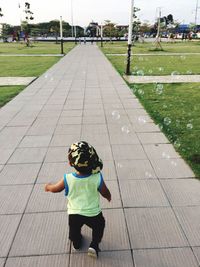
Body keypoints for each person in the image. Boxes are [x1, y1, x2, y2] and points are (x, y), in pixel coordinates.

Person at [45, 141, 111, 258]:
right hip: (93, 214)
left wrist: (49, 187)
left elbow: (56, 189)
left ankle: (76, 242)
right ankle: (94, 245)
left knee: (74, 230)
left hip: (75, 214)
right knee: (99, 226)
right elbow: (104, 191)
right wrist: (108, 196)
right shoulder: (97, 177)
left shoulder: (68, 178)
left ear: (71, 163)